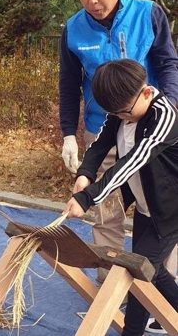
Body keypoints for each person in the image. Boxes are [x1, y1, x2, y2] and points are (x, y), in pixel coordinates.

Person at [58, 0, 178, 295]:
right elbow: (68, 84)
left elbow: (168, 63)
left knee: (158, 209)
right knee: (107, 213)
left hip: (152, 127)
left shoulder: (148, 13)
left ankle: (154, 291)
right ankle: (109, 286)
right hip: (106, 126)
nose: (92, 1)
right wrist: (70, 133)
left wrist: (167, 108)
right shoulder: (73, 29)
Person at [63, 59, 178, 336]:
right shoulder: (122, 109)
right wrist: (85, 173)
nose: (121, 117)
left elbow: (133, 160)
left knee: (136, 269)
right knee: (147, 269)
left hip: (171, 209)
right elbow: (101, 142)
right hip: (146, 206)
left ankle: (135, 330)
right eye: (115, 114)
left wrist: (88, 198)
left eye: (126, 112)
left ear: (147, 92)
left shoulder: (165, 115)